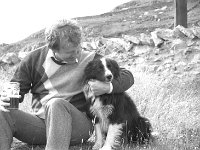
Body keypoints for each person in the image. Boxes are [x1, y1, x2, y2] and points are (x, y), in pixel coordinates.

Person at [0, 18, 134, 150]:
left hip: (77, 127)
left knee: (55, 103)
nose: (76, 55)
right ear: (53, 48)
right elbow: (17, 87)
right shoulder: (33, 59)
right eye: (70, 53)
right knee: (2, 111)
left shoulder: (91, 59)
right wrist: (6, 98)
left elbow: (127, 76)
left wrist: (108, 87)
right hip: (41, 125)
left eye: (78, 49)